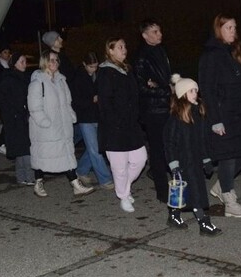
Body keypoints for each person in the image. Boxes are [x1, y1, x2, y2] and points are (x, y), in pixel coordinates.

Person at [198, 14, 241, 218]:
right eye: (228, 28)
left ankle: (220, 185)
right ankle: (229, 200)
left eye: (234, 27)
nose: (233, 31)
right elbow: (207, 88)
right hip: (223, 114)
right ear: (218, 30)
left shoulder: (238, 50)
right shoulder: (211, 54)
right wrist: (215, 119)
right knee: (228, 156)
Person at [27, 49, 94, 198]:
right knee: (43, 157)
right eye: (51, 60)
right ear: (44, 61)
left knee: (67, 156)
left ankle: (75, 184)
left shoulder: (61, 81)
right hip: (45, 129)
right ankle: (38, 182)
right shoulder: (37, 83)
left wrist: (71, 115)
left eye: (56, 60)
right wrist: (45, 122)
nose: (55, 62)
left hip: (62, 126)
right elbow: (34, 108)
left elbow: (67, 102)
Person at [163, 73, 221, 235]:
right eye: (191, 91)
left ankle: (173, 215)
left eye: (196, 90)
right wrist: (173, 164)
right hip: (182, 162)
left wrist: (206, 159)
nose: (195, 93)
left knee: (186, 192)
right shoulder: (176, 118)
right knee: (195, 193)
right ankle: (204, 223)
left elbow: (202, 140)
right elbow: (169, 142)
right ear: (182, 95)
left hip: (195, 161)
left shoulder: (198, 114)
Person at [97, 37, 147, 213]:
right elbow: (105, 102)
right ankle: (124, 196)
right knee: (119, 167)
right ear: (110, 51)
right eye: (120, 47)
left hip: (131, 125)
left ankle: (124, 188)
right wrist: (115, 122)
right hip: (114, 128)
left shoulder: (126, 69)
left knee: (140, 159)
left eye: (125, 46)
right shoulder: (105, 72)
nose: (124, 49)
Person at [133, 19, 173, 204]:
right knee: (157, 149)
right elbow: (142, 87)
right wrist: (165, 90)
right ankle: (162, 191)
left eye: (160, 30)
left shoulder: (161, 51)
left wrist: (169, 85)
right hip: (152, 111)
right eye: (155, 32)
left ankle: (167, 178)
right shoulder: (141, 56)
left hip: (166, 106)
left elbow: (164, 78)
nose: (160, 34)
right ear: (145, 35)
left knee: (169, 146)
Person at [68, 52, 114, 190]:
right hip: (85, 118)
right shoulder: (78, 78)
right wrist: (91, 100)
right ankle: (105, 179)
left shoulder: (97, 75)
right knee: (95, 150)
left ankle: (81, 170)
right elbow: (76, 101)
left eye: (95, 66)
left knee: (95, 146)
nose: (93, 69)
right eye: (91, 66)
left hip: (97, 116)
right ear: (84, 64)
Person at [0, 52, 34, 187]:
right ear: (14, 63)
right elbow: (0, 99)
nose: (24, 64)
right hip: (15, 119)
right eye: (21, 62)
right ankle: (27, 176)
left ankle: (23, 176)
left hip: (24, 118)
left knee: (23, 149)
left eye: (25, 61)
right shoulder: (8, 79)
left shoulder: (25, 77)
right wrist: (13, 111)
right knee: (23, 149)